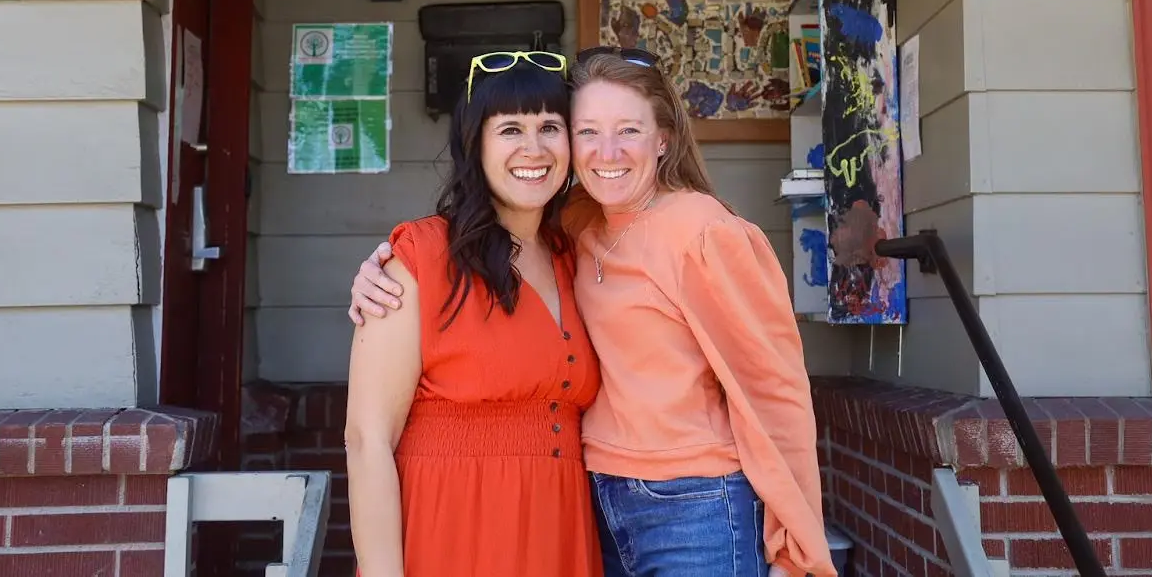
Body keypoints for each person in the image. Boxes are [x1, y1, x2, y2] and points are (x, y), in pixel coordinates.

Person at [349, 46, 836, 577]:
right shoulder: (575, 231)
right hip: (580, 507)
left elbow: (776, 394)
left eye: (628, 130)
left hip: (687, 506)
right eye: (586, 131)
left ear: (663, 139)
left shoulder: (698, 233)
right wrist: (386, 267)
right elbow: (368, 433)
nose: (607, 151)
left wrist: (796, 550)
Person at [343, 49, 604, 577]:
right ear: (475, 144)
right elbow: (367, 439)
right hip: (453, 530)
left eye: (550, 127)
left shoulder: (574, 253)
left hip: (560, 531)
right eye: (509, 129)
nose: (534, 148)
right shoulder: (418, 258)